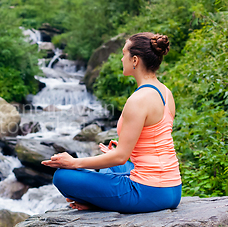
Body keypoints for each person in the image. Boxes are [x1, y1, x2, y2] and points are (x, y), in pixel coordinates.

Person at [42, 32, 182, 213]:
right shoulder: (166, 93)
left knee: (63, 176)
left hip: (148, 192)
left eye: (124, 54)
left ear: (135, 60)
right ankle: (99, 200)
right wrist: (116, 155)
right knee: (111, 162)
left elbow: (120, 157)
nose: (121, 59)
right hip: (173, 189)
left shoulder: (138, 100)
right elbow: (152, 143)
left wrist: (73, 163)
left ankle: (97, 202)